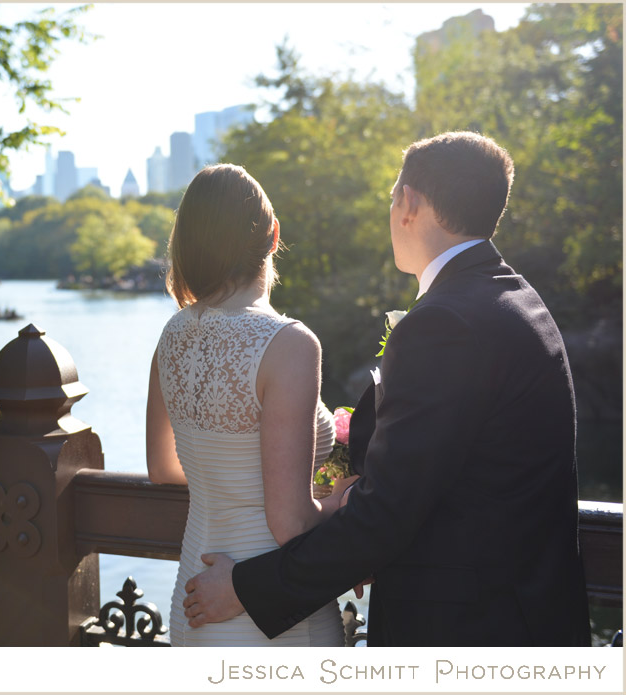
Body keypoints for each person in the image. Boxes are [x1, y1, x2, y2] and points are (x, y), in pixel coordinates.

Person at [181, 132, 592, 646]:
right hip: (524, 615)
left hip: (467, 635)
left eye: (392, 196)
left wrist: (244, 590)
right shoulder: (514, 296)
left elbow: (390, 513)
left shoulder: (446, 322)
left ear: (408, 203)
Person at [146, 163, 354, 646]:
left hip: (194, 600)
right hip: (270, 611)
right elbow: (291, 524)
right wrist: (344, 502)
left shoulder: (172, 335)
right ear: (274, 234)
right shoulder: (288, 343)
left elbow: (161, 468)